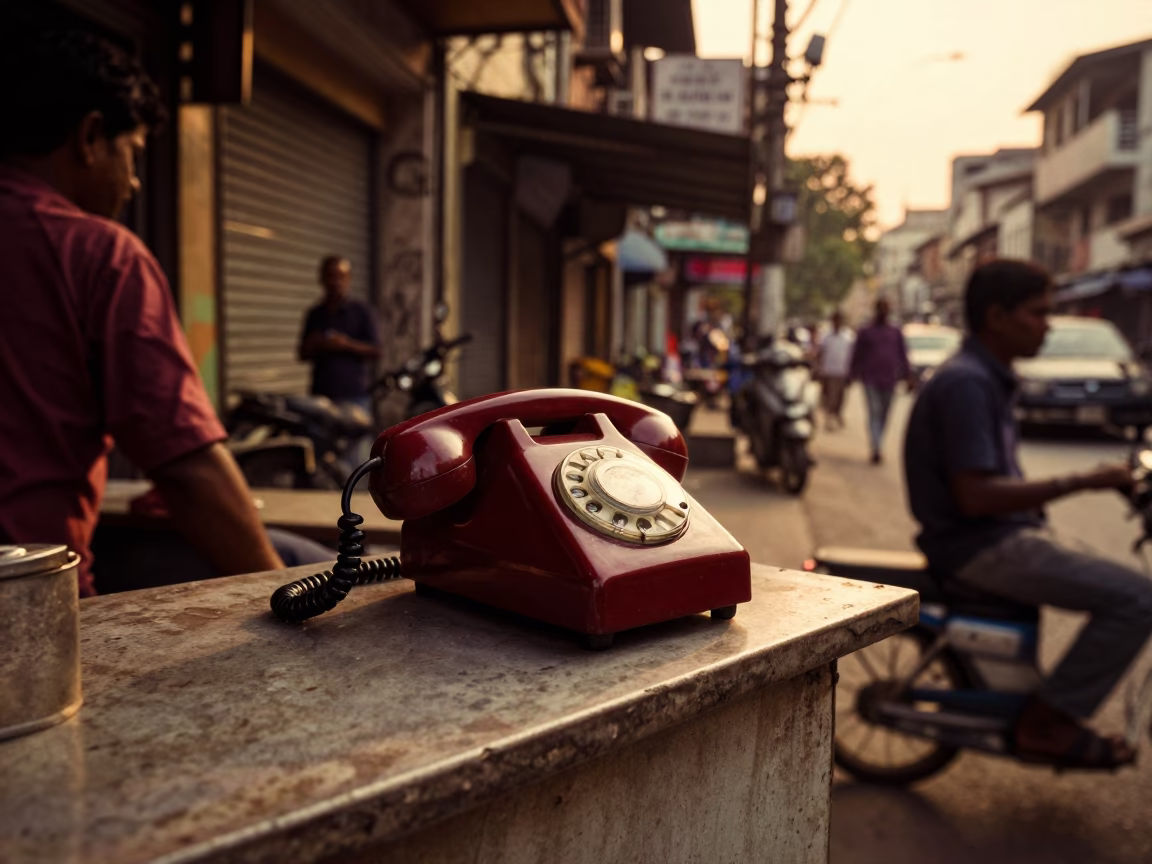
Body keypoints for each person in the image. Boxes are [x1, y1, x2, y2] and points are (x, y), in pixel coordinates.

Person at [0, 31, 286, 597]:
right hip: (27, 605)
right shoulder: (99, 255)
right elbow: (186, 467)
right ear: (89, 137)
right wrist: (292, 600)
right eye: (131, 154)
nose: (133, 182)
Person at [904, 259, 1152, 768]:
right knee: (1136, 598)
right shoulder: (967, 384)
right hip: (978, 544)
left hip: (1003, 534)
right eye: (1039, 313)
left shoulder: (988, 378)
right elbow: (976, 497)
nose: (1048, 325)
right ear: (997, 316)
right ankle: (1046, 722)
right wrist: (1081, 481)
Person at [298, 256, 381, 463]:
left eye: (341, 276)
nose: (335, 282)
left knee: (355, 460)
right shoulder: (315, 314)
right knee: (320, 459)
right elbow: (301, 354)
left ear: (349, 279)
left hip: (354, 397)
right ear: (322, 279)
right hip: (321, 399)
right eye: (331, 276)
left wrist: (346, 345)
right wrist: (316, 344)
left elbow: (376, 350)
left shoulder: (361, 311)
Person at [849, 297, 911, 463]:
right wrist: (852, 374)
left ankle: (878, 440)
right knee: (874, 412)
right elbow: (857, 354)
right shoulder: (866, 332)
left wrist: (907, 376)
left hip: (890, 379)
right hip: (870, 379)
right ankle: (876, 446)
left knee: (884, 413)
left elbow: (903, 355)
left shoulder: (895, 332)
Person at [815, 310, 853, 431]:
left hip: (843, 371)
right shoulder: (826, 336)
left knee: (841, 398)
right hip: (829, 371)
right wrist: (818, 368)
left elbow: (852, 355)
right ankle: (829, 419)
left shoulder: (848, 336)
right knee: (831, 396)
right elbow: (821, 353)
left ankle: (837, 414)